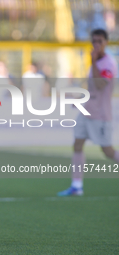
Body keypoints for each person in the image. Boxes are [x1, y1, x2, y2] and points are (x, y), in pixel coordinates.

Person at [58, 29, 119, 196]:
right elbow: (92, 89)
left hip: (101, 115)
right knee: (77, 145)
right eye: (94, 41)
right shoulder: (94, 62)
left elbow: (100, 85)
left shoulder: (109, 63)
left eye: (99, 41)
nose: (96, 44)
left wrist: (92, 61)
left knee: (108, 151)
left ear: (106, 42)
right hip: (86, 112)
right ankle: (77, 186)